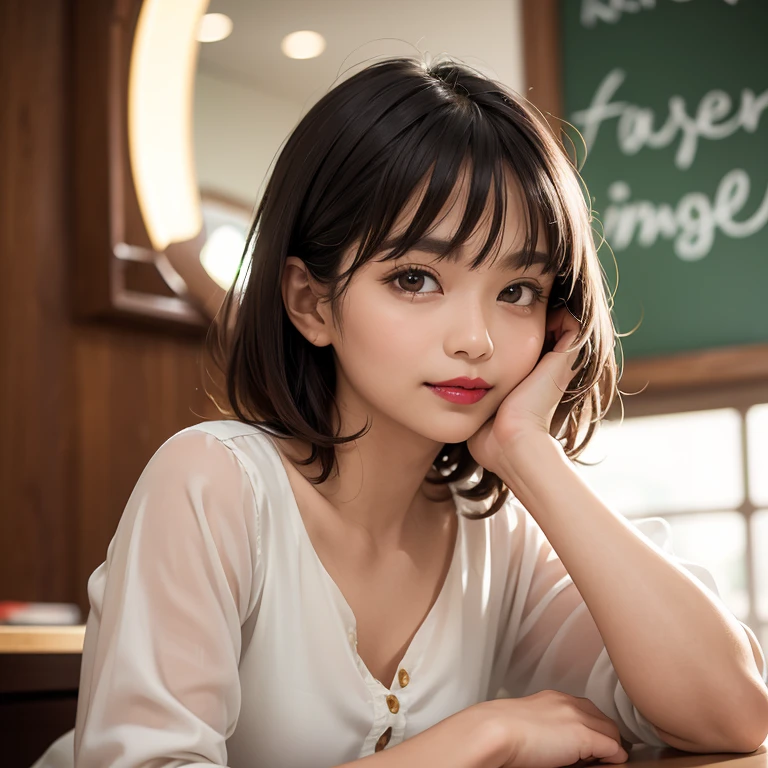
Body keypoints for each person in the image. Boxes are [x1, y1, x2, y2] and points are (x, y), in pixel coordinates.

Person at [31, 55, 767, 768]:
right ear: (311, 302)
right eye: (416, 278)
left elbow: (731, 714)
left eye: (518, 292)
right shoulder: (213, 484)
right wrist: (479, 740)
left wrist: (530, 454)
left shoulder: (498, 536)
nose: (474, 340)